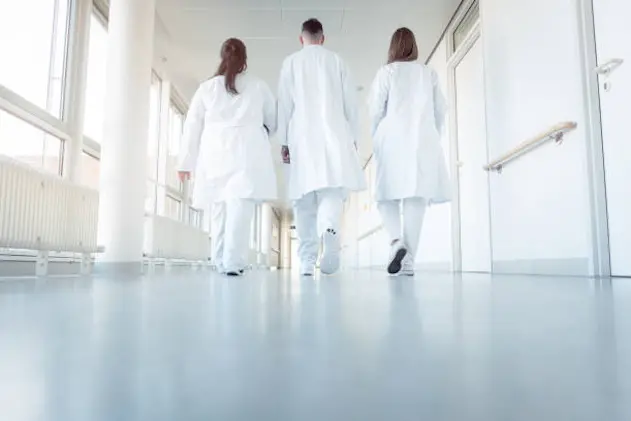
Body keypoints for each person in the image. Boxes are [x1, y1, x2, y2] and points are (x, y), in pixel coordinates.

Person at [178, 38, 277, 277]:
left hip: (215, 152)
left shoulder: (206, 88)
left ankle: (219, 259)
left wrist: (185, 163)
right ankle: (232, 261)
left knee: (219, 208)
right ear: (244, 60)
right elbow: (273, 121)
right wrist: (262, 131)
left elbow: (192, 127)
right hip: (247, 152)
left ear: (222, 57)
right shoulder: (258, 86)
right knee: (239, 207)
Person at [277, 18, 366, 276]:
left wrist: (283, 140)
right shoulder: (337, 61)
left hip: (301, 137)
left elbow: (284, 104)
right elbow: (352, 103)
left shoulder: (290, 63)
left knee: (303, 200)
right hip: (334, 135)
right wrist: (353, 137)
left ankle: (306, 261)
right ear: (323, 38)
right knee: (331, 191)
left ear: (301, 38)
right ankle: (328, 229)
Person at [368, 27, 450, 277]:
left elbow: (375, 109)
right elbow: (441, 110)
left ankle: (396, 243)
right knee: (416, 198)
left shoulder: (387, 72)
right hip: (423, 140)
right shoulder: (429, 74)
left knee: (385, 195)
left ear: (392, 47)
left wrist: (376, 136)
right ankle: (409, 262)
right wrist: (432, 135)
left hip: (391, 138)